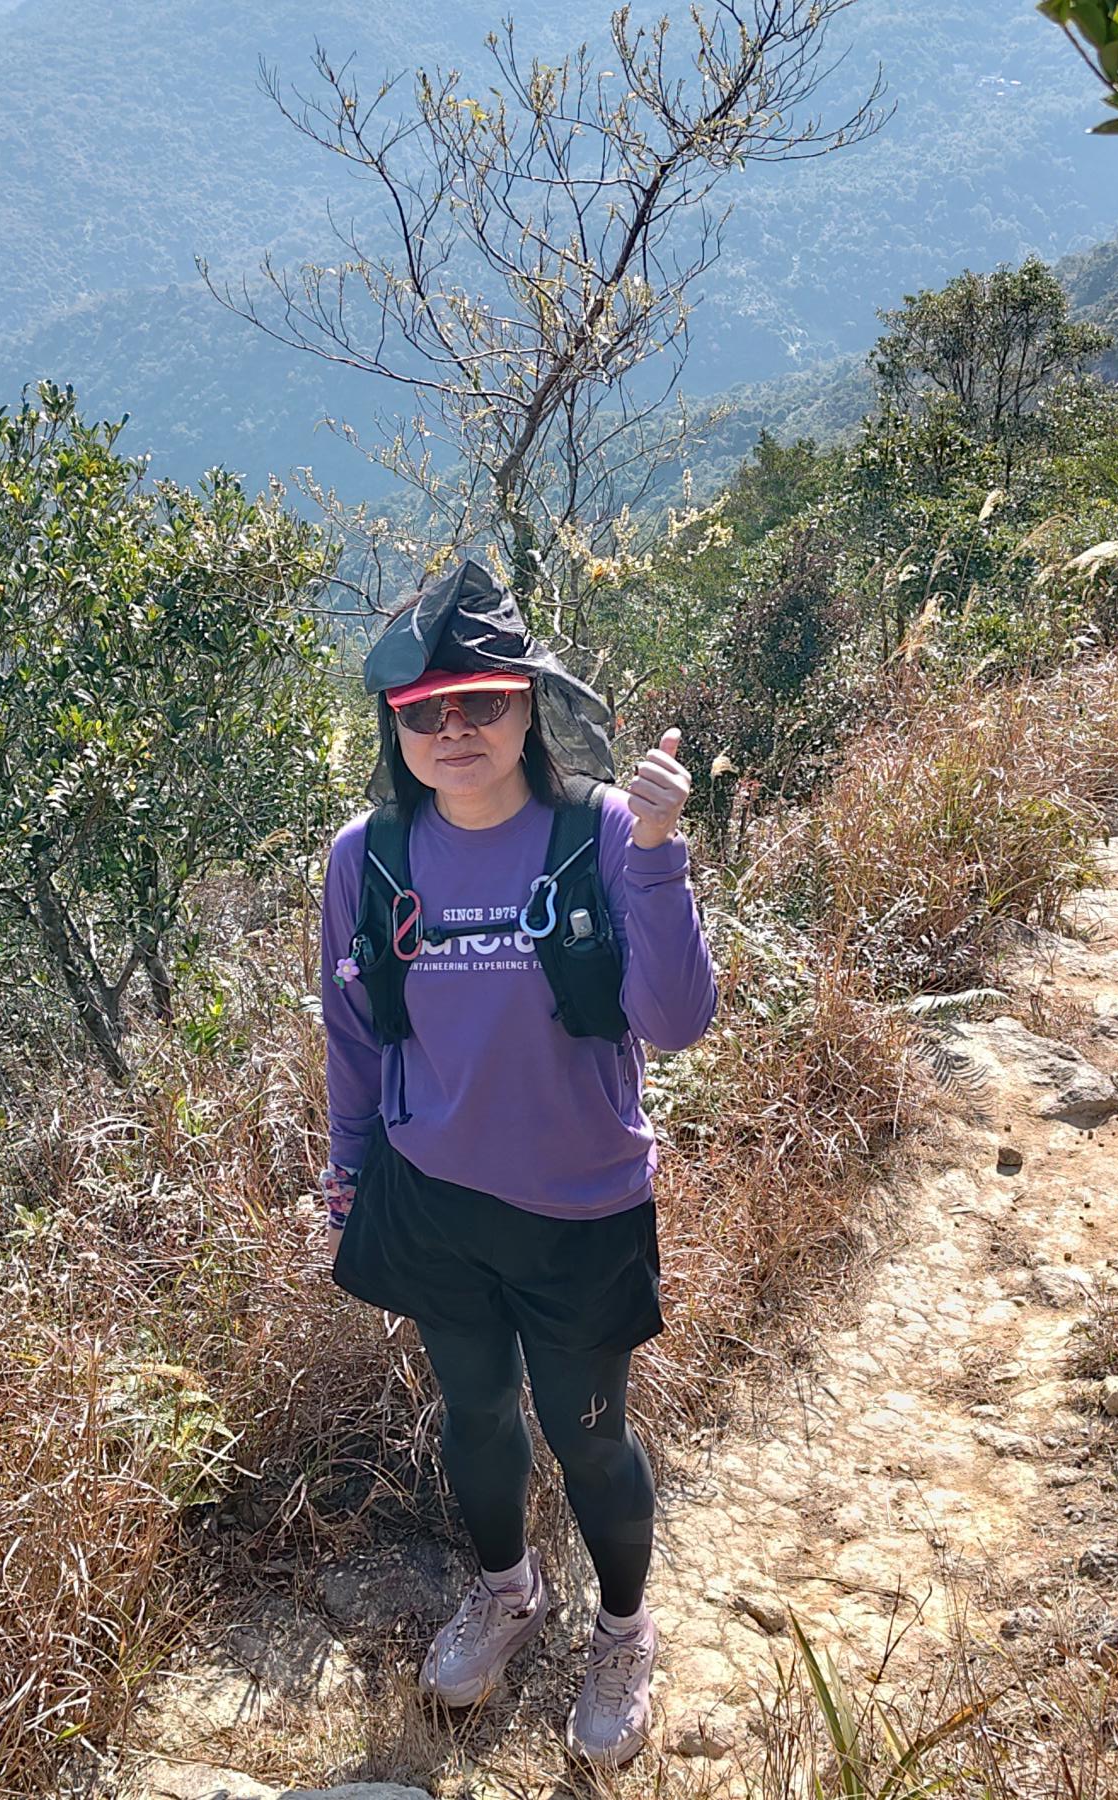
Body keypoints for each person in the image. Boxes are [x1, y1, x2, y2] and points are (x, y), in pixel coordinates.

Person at [318, 558, 717, 1768]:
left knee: (589, 1434)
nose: (454, 729)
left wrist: (660, 850)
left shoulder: (602, 832)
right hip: (432, 1199)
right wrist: (348, 1168)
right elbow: (353, 1033)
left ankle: (624, 1632)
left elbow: (676, 1021)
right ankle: (508, 1592)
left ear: (528, 704)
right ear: (396, 725)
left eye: (482, 701)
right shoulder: (368, 857)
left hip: (581, 1204)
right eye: (424, 710)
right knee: (477, 1412)